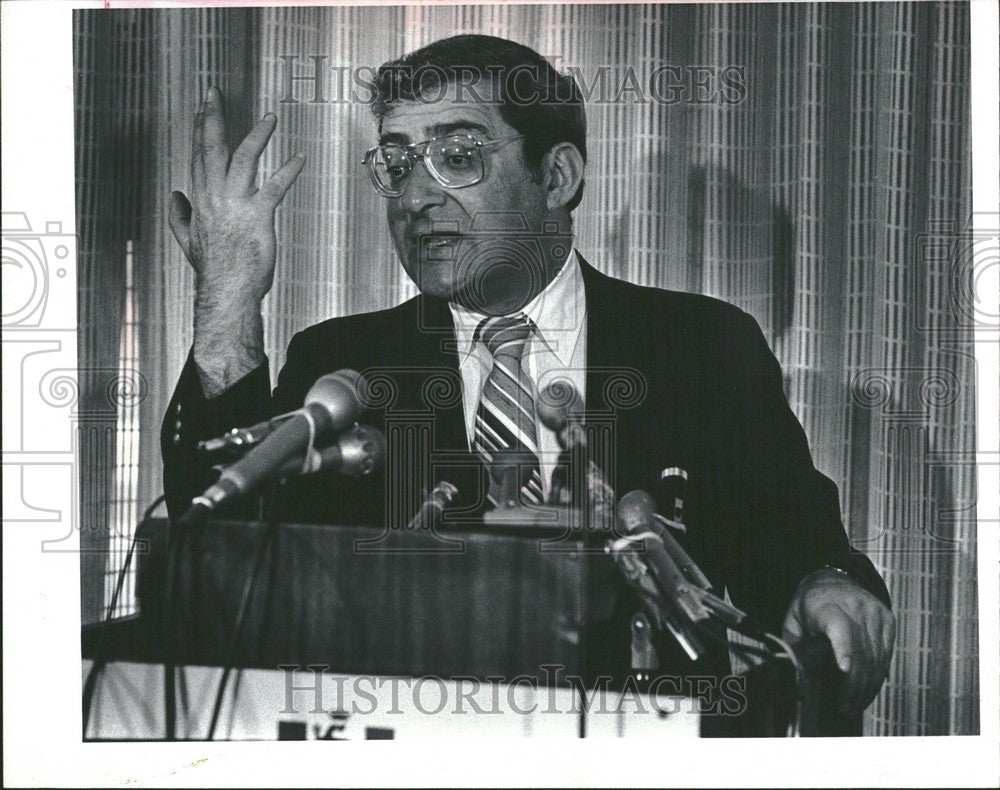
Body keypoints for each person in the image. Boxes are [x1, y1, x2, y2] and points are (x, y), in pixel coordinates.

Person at [161, 34, 895, 717]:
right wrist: (227, 301)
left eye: (457, 155)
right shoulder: (343, 367)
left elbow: (793, 543)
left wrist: (826, 583)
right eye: (397, 162)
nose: (414, 199)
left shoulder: (702, 348)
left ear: (557, 176)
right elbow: (220, 569)